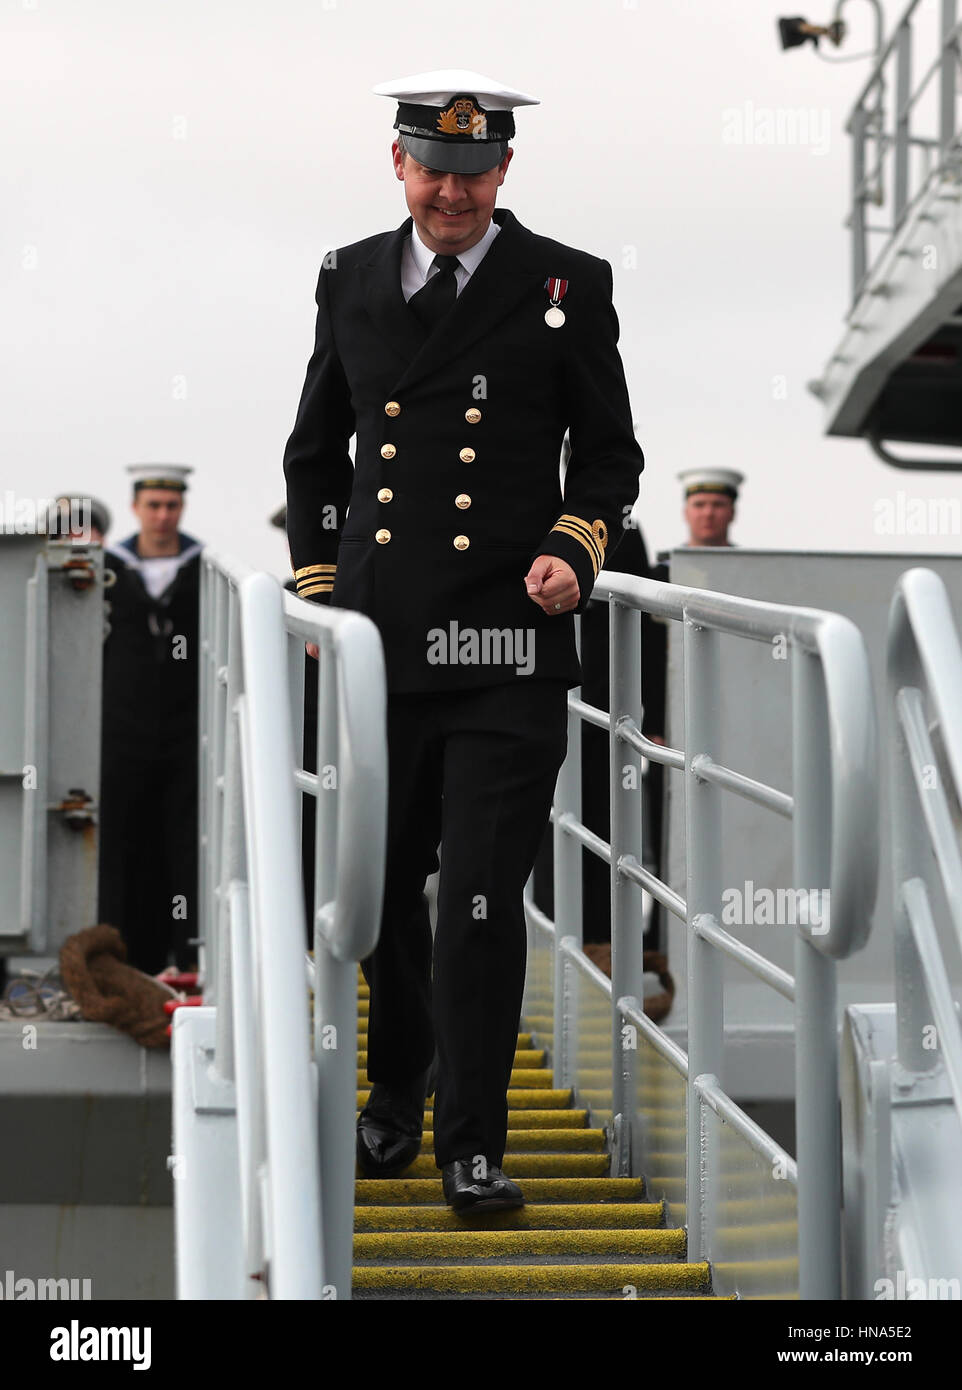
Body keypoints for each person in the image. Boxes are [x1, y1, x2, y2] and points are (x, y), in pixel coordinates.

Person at [283, 69, 644, 1215]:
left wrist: (576, 544)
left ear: (502, 173)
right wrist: (316, 588)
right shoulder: (346, 276)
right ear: (398, 167)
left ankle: (470, 1145)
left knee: (479, 899)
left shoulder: (565, 284)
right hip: (380, 641)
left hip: (505, 640)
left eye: (471, 172)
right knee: (384, 890)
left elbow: (608, 455)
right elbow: (313, 454)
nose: (450, 192)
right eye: (431, 171)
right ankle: (393, 1096)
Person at [98, 465, 203, 974]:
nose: (163, 516)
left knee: (186, 844)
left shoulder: (204, 568)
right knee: (121, 844)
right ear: (136, 507)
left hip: (188, 734)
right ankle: (123, 961)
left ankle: (188, 958)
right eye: (154, 505)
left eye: (172, 505)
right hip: (122, 732)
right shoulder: (107, 570)